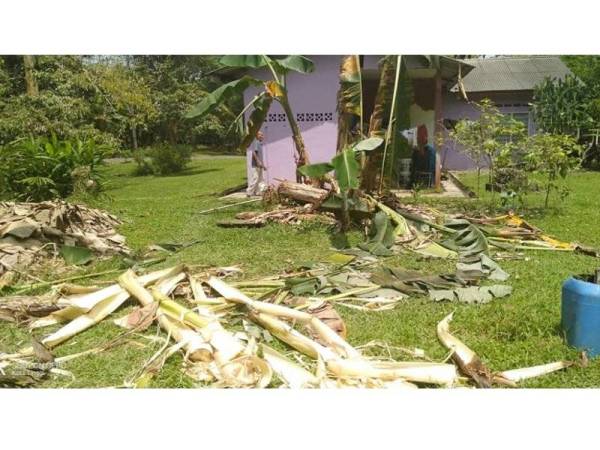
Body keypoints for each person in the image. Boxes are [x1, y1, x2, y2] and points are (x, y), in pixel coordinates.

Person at [247, 130, 266, 197]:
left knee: (260, 179)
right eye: (260, 135)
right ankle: (249, 192)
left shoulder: (260, 144)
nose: (261, 136)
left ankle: (258, 192)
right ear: (256, 136)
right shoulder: (256, 143)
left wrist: (263, 166)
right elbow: (254, 153)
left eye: (262, 135)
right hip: (256, 164)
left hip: (260, 165)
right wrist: (258, 162)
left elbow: (260, 156)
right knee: (255, 178)